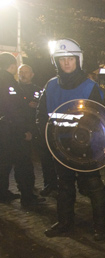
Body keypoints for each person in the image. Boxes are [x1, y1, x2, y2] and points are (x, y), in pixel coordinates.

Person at [37, 39, 105, 240]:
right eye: (62, 59)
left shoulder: (90, 87)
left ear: (78, 60)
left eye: (70, 58)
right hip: (60, 145)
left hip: (86, 146)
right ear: (56, 62)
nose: (67, 63)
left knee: (93, 186)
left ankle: (101, 226)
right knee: (64, 186)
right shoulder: (51, 86)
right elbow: (41, 115)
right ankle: (64, 223)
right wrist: (47, 139)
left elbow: (101, 119)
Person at [0, 53, 44, 206]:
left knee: (4, 162)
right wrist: (23, 130)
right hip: (12, 130)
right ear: (13, 66)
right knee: (23, 163)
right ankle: (27, 195)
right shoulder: (9, 82)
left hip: (4, 129)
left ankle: (2, 192)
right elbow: (14, 109)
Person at [18, 64, 57, 197]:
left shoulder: (39, 90)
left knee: (45, 156)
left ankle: (50, 184)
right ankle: (26, 187)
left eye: (26, 72)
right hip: (21, 127)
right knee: (22, 158)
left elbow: (45, 107)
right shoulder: (15, 88)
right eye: (21, 72)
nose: (23, 74)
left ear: (32, 74)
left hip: (36, 127)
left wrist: (37, 106)